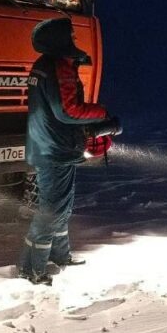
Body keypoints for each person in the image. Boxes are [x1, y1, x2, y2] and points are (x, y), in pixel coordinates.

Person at [19, 17, 121, 284]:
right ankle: (33, 268)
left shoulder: (44, 65)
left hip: (52, 146)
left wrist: (92, 127)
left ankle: (60, 255)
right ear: (59, 39)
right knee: (52, 210)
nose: (74, 39)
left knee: (62, 207)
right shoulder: (58, 67)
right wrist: (101, 113)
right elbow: (68, 111)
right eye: (71, 35)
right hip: (55, 150)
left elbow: (60, 112)